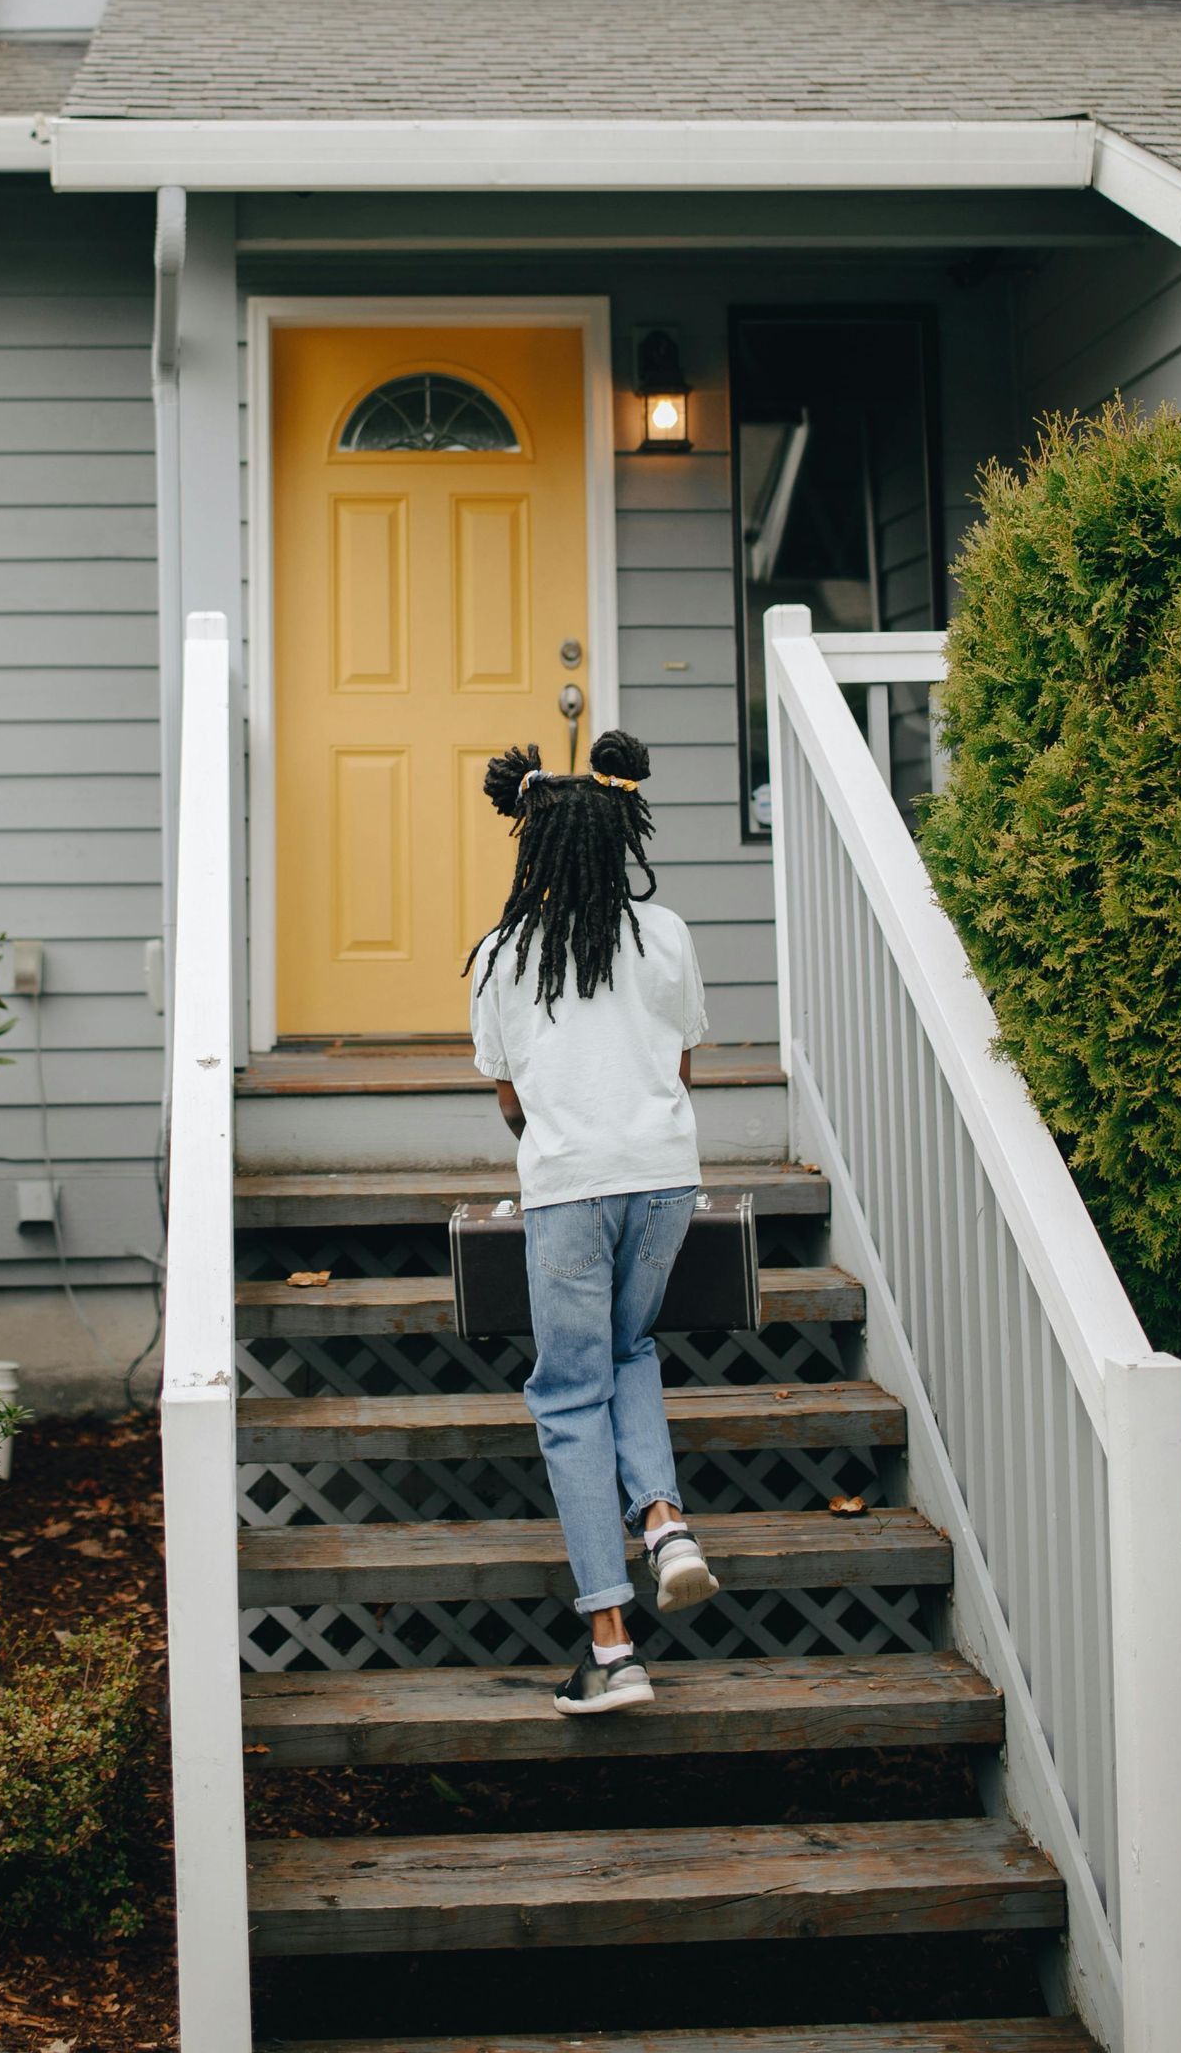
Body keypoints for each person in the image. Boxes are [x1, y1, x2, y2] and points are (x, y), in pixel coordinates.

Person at [467, 727, 717, 1717]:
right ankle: (664, 1522)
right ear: (621, 837)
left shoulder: (501, 954)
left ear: (532, 848)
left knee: (570, 1396)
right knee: (630, 1348)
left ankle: (613, 1649)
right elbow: (683, 1063)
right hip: (664, 1180)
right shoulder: (666, 935)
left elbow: (509, 1094)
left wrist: (549, 1124)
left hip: (569, 1189)